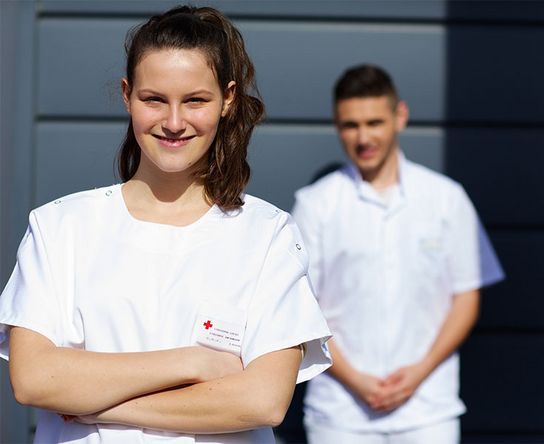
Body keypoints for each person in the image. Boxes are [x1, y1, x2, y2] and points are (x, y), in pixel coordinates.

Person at [0, 5, 331, 444]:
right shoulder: (60, 226)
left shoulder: (268, 234)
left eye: (195, 100)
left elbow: (262, 401)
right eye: (154, 99)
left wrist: (103, 404)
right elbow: (35, 378)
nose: (174, 123)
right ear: (126, 94)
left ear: (228, 99)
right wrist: (192, 363)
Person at [292, 64, 504, 443]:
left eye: (374, 122)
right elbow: (302, 309)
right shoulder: (315, 205)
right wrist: (357, 381)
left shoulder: (445, 198)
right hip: (340, 414)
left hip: (428, 411)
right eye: (350, 125)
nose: (363, 137)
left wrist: (419, 372)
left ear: (399, 117)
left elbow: (467, 296)